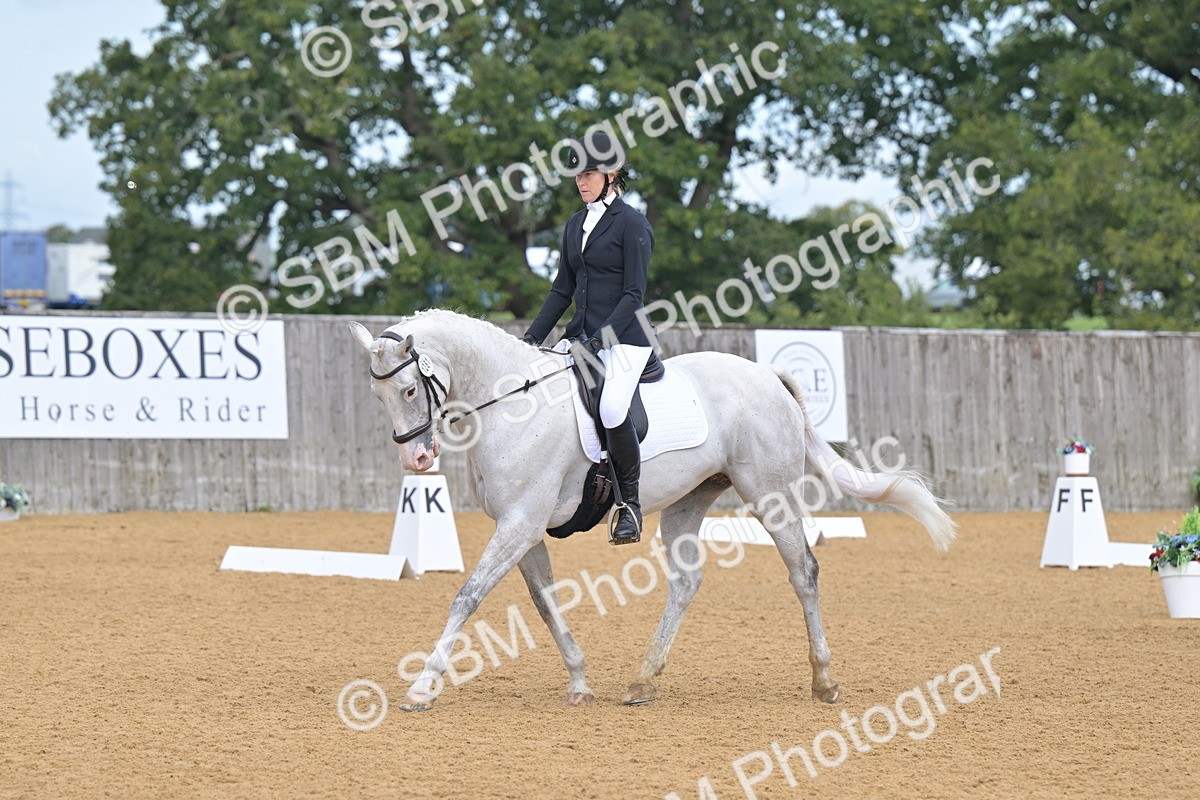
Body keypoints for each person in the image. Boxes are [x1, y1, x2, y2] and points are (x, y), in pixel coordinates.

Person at [522, 131, 656, 545]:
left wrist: (600, 340)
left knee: (613, 408)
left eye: (590, 173)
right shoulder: (575, 224)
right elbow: (562, 289)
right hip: (581, 336)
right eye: (577, 174)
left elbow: (634, 294)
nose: (582, 181)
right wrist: (530, 339)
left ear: (612, 173)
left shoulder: (632, 223)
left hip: (626, 340)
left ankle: (629, 506)